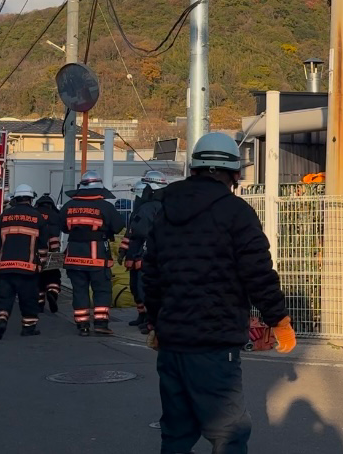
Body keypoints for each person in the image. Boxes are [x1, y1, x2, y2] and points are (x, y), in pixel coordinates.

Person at [144, 132, 295, 454]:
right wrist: (278, 320)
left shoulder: (164, 211)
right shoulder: (235, 212)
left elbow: (151, 276)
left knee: (175, 433)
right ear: (234, 174)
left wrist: (157, 324)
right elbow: (257, 272)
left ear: (194, 168)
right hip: (214, 344)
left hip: (172, 345)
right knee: (229, 434)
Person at [62, 171, 123, 336]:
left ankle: (82, 325)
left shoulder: (69, 206)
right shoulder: (106, 207)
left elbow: (62, 227)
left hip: (74, 256)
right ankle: (101, 324)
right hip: (97, 258)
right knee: (102, 290)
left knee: (79, 290)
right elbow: (118, 226)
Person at [0, 185, 48, 340]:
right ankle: (28, 328)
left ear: (15, 198)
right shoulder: (37, 217)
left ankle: (0, 322)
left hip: (5, 267)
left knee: (3, 298)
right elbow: (43, 244)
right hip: (27, 268)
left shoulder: (4, 215)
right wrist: (41, 263)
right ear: (30, 198)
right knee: (29, 299)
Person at [122, 170, 168, 333]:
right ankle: (142, 315)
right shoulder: (147, 208)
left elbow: (140, 232)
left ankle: (150, 319)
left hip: (145, 255)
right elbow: (131, 234)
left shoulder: (151, 208)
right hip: (138, 254)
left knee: (143, 288)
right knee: (136, 288)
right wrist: (125, 252)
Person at [35, 192, 63, 314]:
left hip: (35, 252)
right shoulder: (56, 215)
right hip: (54, 251)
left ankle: (40, 304)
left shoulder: (34, 213)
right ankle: (52, 292)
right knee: (54, 276)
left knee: (38, 279)